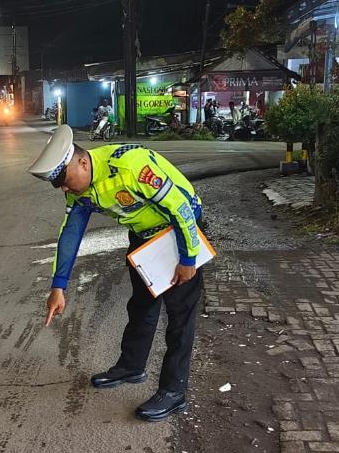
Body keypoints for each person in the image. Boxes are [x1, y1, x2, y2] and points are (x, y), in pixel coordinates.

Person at [29, 125, 206, 422]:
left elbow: (180, 207)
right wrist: (58, 286)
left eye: (64, 180)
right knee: (141, 306)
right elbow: (71, 232)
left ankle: (174, 391)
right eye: (57, 185)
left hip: (177, 234)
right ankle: (131, 366)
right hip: (143, 238)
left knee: (180, 315)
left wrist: (188, 258)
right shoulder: (80, 191)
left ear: (83, 162)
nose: (64, 189)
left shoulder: (130, 166)